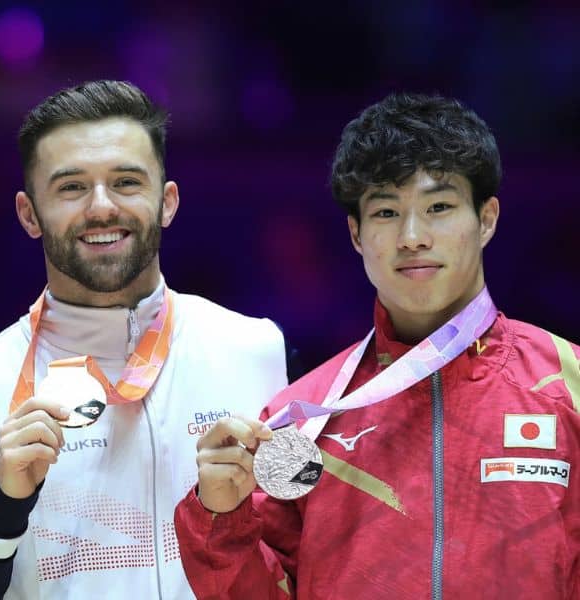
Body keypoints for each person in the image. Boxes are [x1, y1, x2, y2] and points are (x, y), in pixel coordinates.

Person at [0, 79, 297, 599]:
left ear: (167, 202)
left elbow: (300, 555)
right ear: (28, 214)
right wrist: (1, 503)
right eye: (71, 187)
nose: (101, 207)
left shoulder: (255, 350)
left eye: (127, 182)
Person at [176, 93, 580, 599]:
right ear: (356, 234)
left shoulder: (568, 385)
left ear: (487, 218)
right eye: (387, 211)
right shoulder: (303, 420)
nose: (412, 236)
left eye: (438, 207)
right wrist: (221, 517)